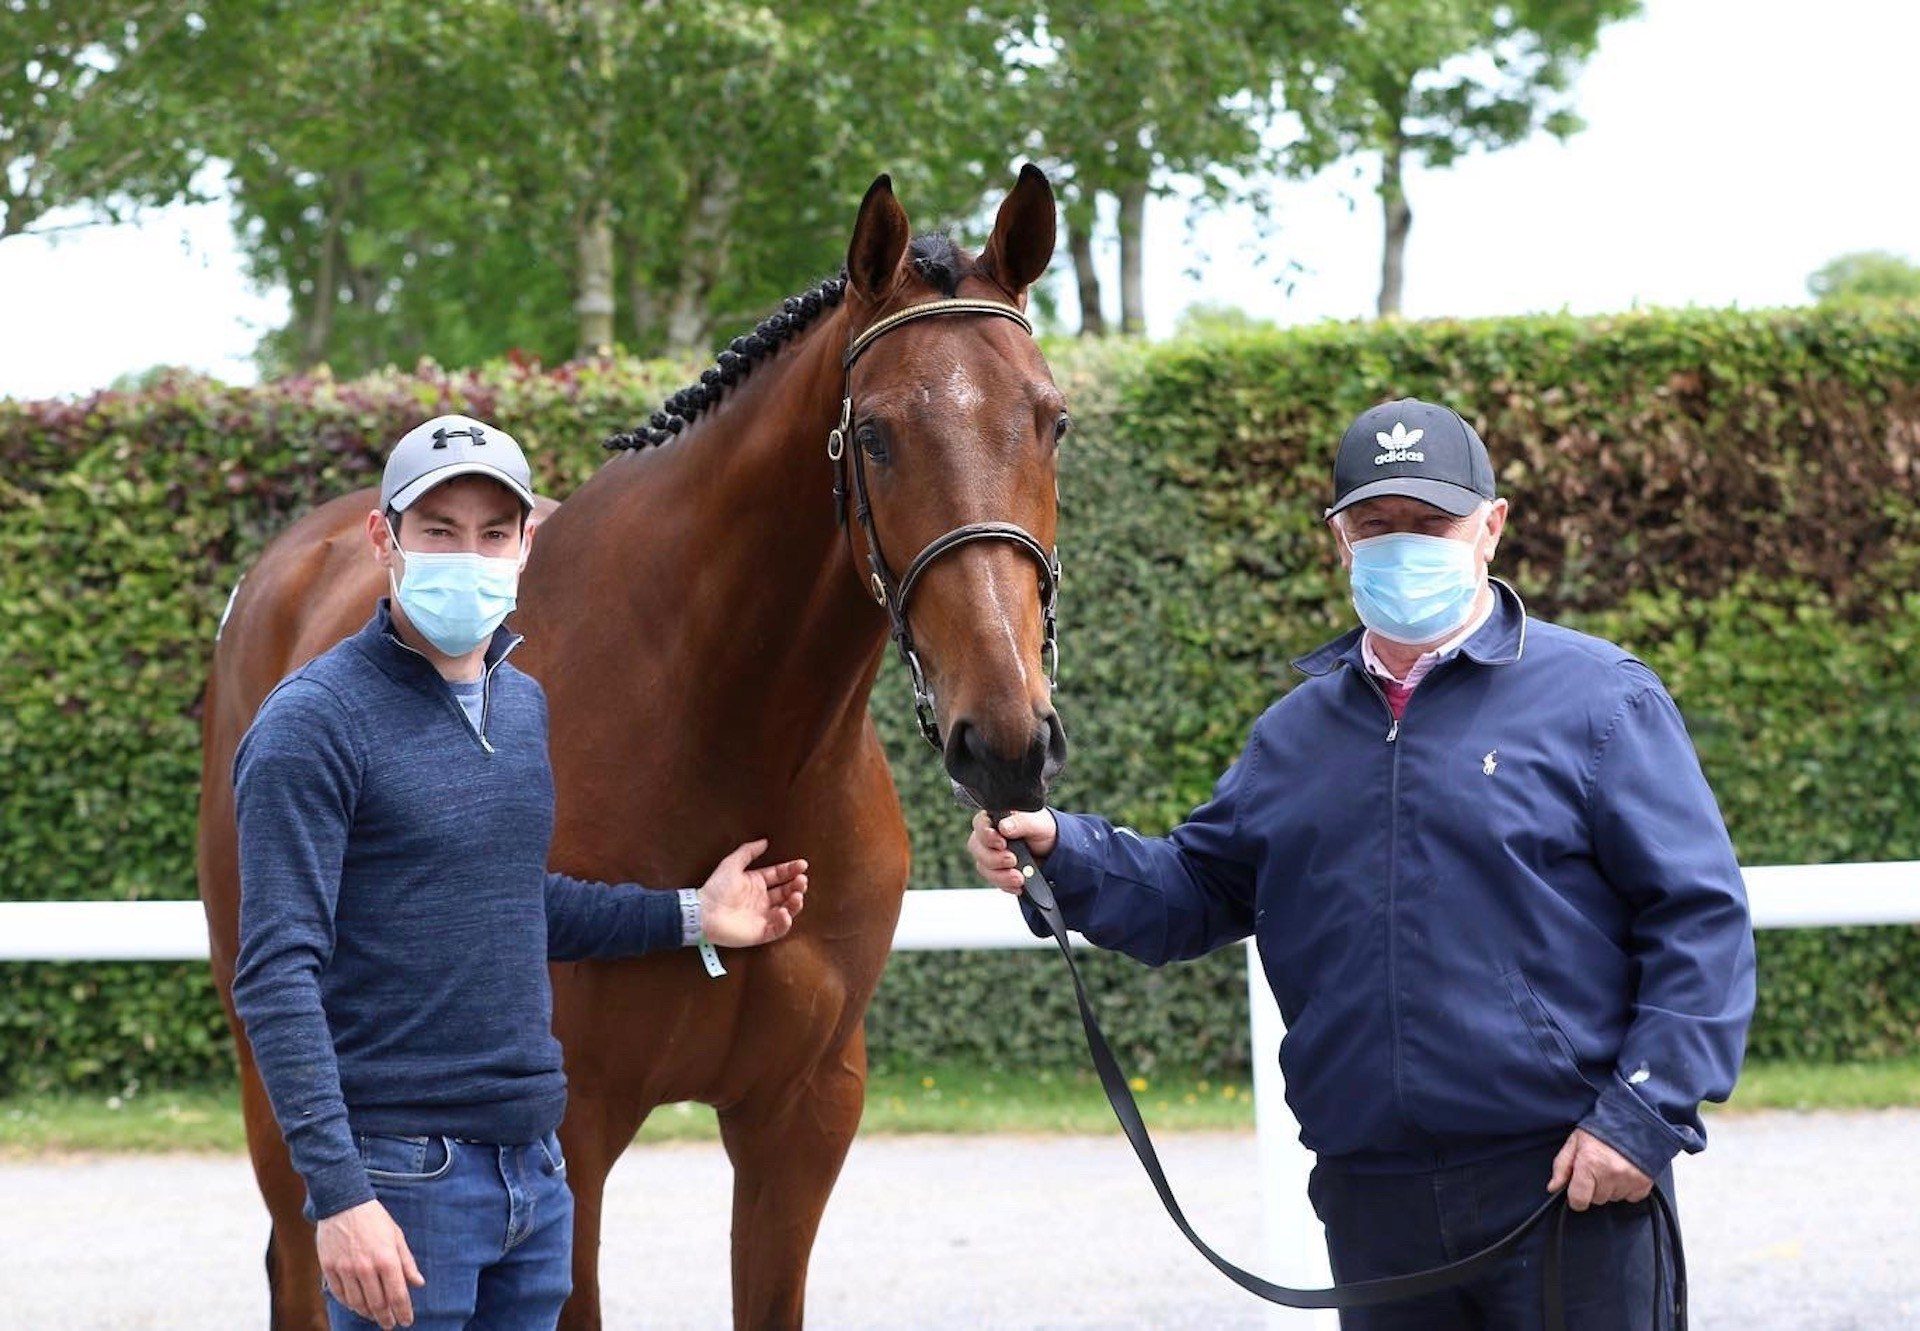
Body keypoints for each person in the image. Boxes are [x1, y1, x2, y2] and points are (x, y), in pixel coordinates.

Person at [968, 397, 1755, 1329]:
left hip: (1567, 1187)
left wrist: (1641, 1116)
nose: (1402, 545)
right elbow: (1196, 891)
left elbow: (1698, 917)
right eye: (1376, 524)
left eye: (1432, 522)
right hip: (1372, 1203)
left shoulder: (1601, 699)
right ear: (1340, 539)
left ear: (1491, 527)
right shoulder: (1295, 735)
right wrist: (1068, 851)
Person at [231, 414, 808, 1331]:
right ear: (385, 537)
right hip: (402, 1182)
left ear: (527, 543)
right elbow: (273, 975)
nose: (471, 555)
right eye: (439, 531)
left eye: (494, 533)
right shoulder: (312, 724)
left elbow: (512, 902)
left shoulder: (520, 702)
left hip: (535, 1178)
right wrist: (339, 1197)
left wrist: (696, 916)